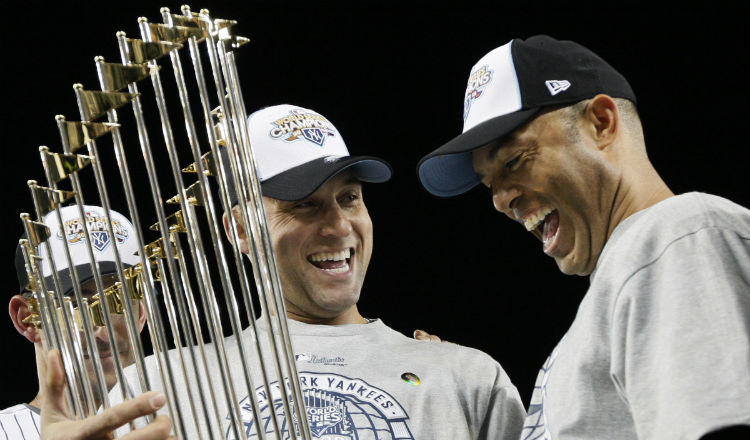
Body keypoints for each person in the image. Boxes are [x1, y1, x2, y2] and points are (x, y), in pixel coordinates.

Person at [115, 104, 526, 439]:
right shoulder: (156, 389)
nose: (339, 226)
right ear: (240, 229)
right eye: (304, 205)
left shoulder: (465, 378)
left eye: (349, 198)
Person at [416, 35, 750, 439]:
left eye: (515, 160)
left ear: (602, 123)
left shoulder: (677, 236)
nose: (500, 201)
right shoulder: (623, 287)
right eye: (489, 184)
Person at [4, 205, 170, 439]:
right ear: (27, 320)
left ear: (141, 312)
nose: (102, 330)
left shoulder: (188, 421)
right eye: (76, 303)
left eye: (117, 300)